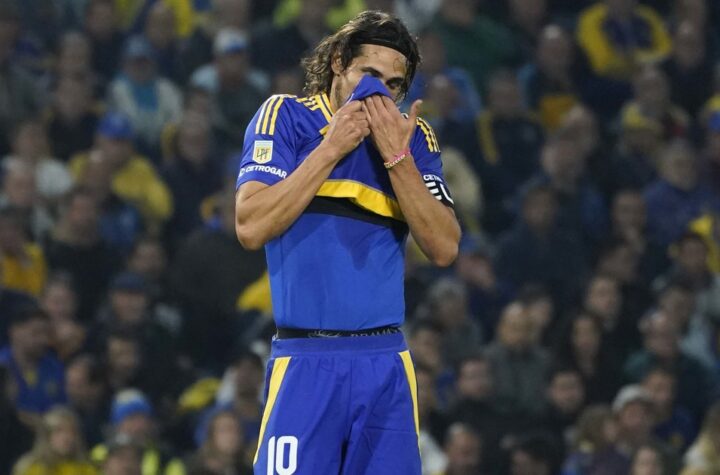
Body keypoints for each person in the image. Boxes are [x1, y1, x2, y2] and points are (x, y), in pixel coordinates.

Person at [234, 10, 460, 474]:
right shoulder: (286, 116)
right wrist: (331, 148)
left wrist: (398, 158)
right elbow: (251, 226)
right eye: (368, 75)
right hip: (305, 362)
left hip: (385, 363)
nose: (377, 94)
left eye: (392, 85)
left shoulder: (413, 138)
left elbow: (444, 247)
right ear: (338, 61)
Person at [12, 406, 97, 475]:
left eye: (72, 431)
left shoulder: (86, 469)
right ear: (46, 436)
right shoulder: (29, 467)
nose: (67, 437)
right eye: (59, 431)